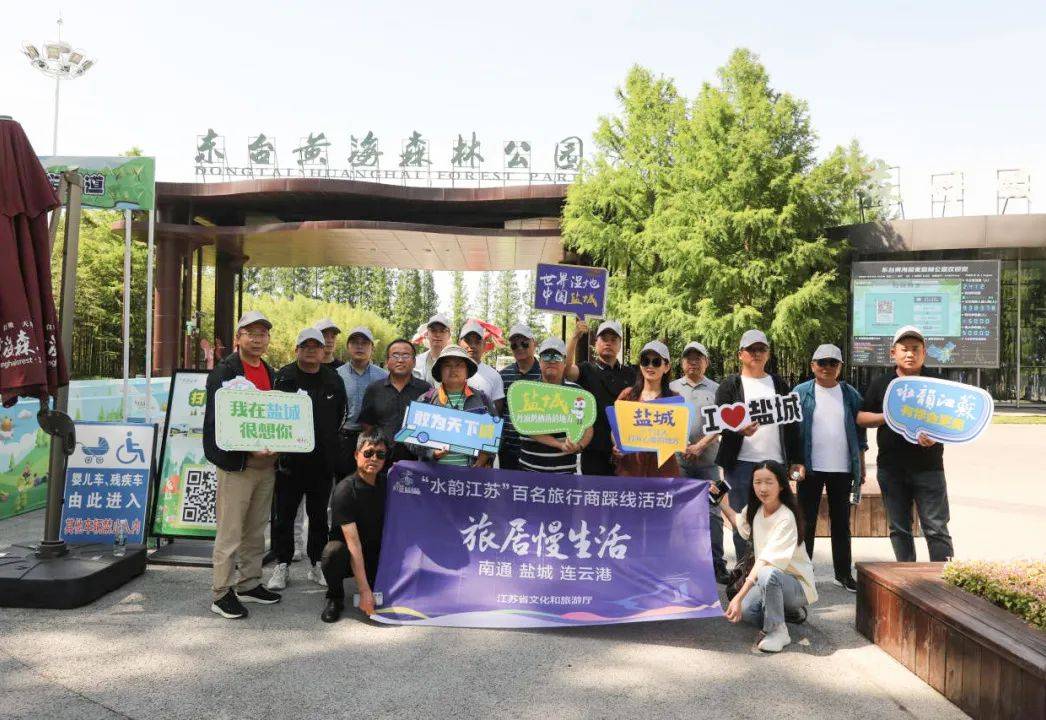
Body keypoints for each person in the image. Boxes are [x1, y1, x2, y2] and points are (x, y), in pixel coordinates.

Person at [203, 310, 282, 619]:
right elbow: (219, 423)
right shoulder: (224, 372)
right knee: (230, 531)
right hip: (238, 466)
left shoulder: (270, 372)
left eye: (263, 334)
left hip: (266, 465)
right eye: (251, 333)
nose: (258, 339)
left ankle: (249, 583)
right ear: (238, 338)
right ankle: (221, 592)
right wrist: (248, 450)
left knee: (256, 530)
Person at [857, 326, 954, 562]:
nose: (910, 354)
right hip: (891, 468)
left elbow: (953, 422)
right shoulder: (882, 383)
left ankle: (943, 578)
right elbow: (861, 417)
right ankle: (907, 577)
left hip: (929, 468)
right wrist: (889, 416)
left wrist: (937, 435)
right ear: (893, 353)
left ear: (924, 353)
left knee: (936, 527)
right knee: (899, 528)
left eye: (915, 349)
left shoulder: (938, 384)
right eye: (904, 349)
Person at [267, 328, 349, 592]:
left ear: (324, 351)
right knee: (284, 516)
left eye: (316, 346)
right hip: (289, 462)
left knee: (318, 517)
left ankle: (316, 564)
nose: (311, 350)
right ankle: (282, 564)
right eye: (306, 346)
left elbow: (341, 415)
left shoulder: (333, 380)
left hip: (322, 462)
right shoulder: (284, 377)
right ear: (297, 350)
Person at [715, 329, 804, 560]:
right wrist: (738, 430)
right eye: (750, 349)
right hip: (740, 464)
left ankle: (770, 569)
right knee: (742, 521)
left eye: (761, 349)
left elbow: (792, 424)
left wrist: (797, 460)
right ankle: (745, 571)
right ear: (740, 354)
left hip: (775, 464)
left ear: (768, 353)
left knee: (775, 519)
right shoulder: (730, 385)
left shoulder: (779, 384)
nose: (756, 353)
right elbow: (719, 422)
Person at [720, 461, 817, 653]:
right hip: (768, 579)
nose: (762, 488)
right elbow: (738, 523)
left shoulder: (786, 517)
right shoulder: (755, 508)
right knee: (747, 611)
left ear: (781, 485)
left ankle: (778, 631)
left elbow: (765, 561)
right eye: (757, 482)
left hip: (797, 586)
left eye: (769, 482)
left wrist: (739, 596)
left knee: (767, 573)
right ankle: (782, 613)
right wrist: (719, 501)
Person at [793, 344, 867, 592]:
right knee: (805, 522)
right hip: (809, 468)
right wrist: (794, 462)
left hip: (842, 468)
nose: (827, 367)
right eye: (822, 362)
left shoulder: (850, 394)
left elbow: (860, 433)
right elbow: (791, 430)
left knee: (841, 523)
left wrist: (861, 466)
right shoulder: (801, 392)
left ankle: (843, 574)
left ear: (840, 367)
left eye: (832, 363)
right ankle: (803, 573)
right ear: (812, 365)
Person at [669, 341, 728, 584]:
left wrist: (700, 445)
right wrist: (681, 444)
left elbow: (722, 422)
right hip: (677, 462)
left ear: (706, 362)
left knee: (713, 513)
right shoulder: (671, 388)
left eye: (698, 358)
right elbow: (663, 421)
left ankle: (717, 563)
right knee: (677, 513)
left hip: (708, 462)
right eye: (688, 358)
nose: (693, 362)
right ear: (681, 362)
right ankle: (680, 563)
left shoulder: (717, 389)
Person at [320, 431, 389, 623]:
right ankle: (335, 597)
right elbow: (354, 544)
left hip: (376, 552)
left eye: (380, 455)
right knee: (332, 553)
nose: (374, 458)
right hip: (349, 553)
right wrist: (364, 591)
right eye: (368, 453)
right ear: (356, 454)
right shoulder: (345, 490)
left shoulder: (388, 484)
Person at [565, 319, 636, 476]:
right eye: (604, 339)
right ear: (596, 343)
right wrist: (575, 337)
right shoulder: (586, 369)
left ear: (620, 344)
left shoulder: (631, 374)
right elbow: (566, 370)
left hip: (624, 451)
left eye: (613, 339)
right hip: (593, 451)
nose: (608, 343)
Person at [518, 338, 594, 474]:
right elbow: (527, 428)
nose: (551, 361)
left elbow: (588, 427)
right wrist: (560, 445)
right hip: (529, 472)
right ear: (540, 361)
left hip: (565, 473)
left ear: (564, 362)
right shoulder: (526, 392)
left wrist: (579, 446)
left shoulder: (578, 393)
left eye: (557, 356)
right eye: (546, 356)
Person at [415, 345, 494, 468]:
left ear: (467, 370)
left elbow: (495, 434)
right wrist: (431, 453)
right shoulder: (425, 400)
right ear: (440, 371)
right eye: (447, 365)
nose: (453, 369)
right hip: (433, 474)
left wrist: (486, 454)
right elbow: (411, 439)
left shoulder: (482, 400)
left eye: (459, 365)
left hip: (471, 474)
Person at [613, 340, 682, 478]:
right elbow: (615, 428)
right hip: (630, 472)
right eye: (645, 361)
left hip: (663, 473)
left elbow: (679, 435)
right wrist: (617, 445)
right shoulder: (627, 395)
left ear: (666, 367)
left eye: (656, 362)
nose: (650, 366)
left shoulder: (675, 399)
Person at [358, 338, 432, 465]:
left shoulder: (425, 389)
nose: (400, 360)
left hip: (416, 461)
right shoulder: (374, 389)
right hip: (381, 460)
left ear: (414, 362)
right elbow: (367, 425)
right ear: (387, 361)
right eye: (395, 355)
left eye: (406, 355)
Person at [336, 326, 387, 476]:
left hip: (372, 438)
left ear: (372, 348)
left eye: (364, 343)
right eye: (355, 343)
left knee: (370, 480)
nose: (359, 346)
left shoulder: (383, 376)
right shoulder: (337, 375)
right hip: (344, 438)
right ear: (348, 347)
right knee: (343, 481)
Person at [498, 323, 542, 470]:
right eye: (514, 345)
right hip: (509, 450)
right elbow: (499, 411)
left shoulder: (545, 374)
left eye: (524, 343)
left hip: (538, 449)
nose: (520, 347)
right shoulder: (503, 375)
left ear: (534, 343)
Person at [458, 319, 506, 416]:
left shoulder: (494, 376)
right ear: (459, 343)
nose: (472, 345)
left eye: (477, 342)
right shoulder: (448, 371)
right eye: (468, 341)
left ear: (484, 344)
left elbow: (497, 414)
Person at [413, 313, 453, 386]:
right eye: (433, 330)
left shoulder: (457, 361)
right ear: (427, 334)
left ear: (449, 335)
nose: (437, 334)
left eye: (442, 331)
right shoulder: (416, 362)